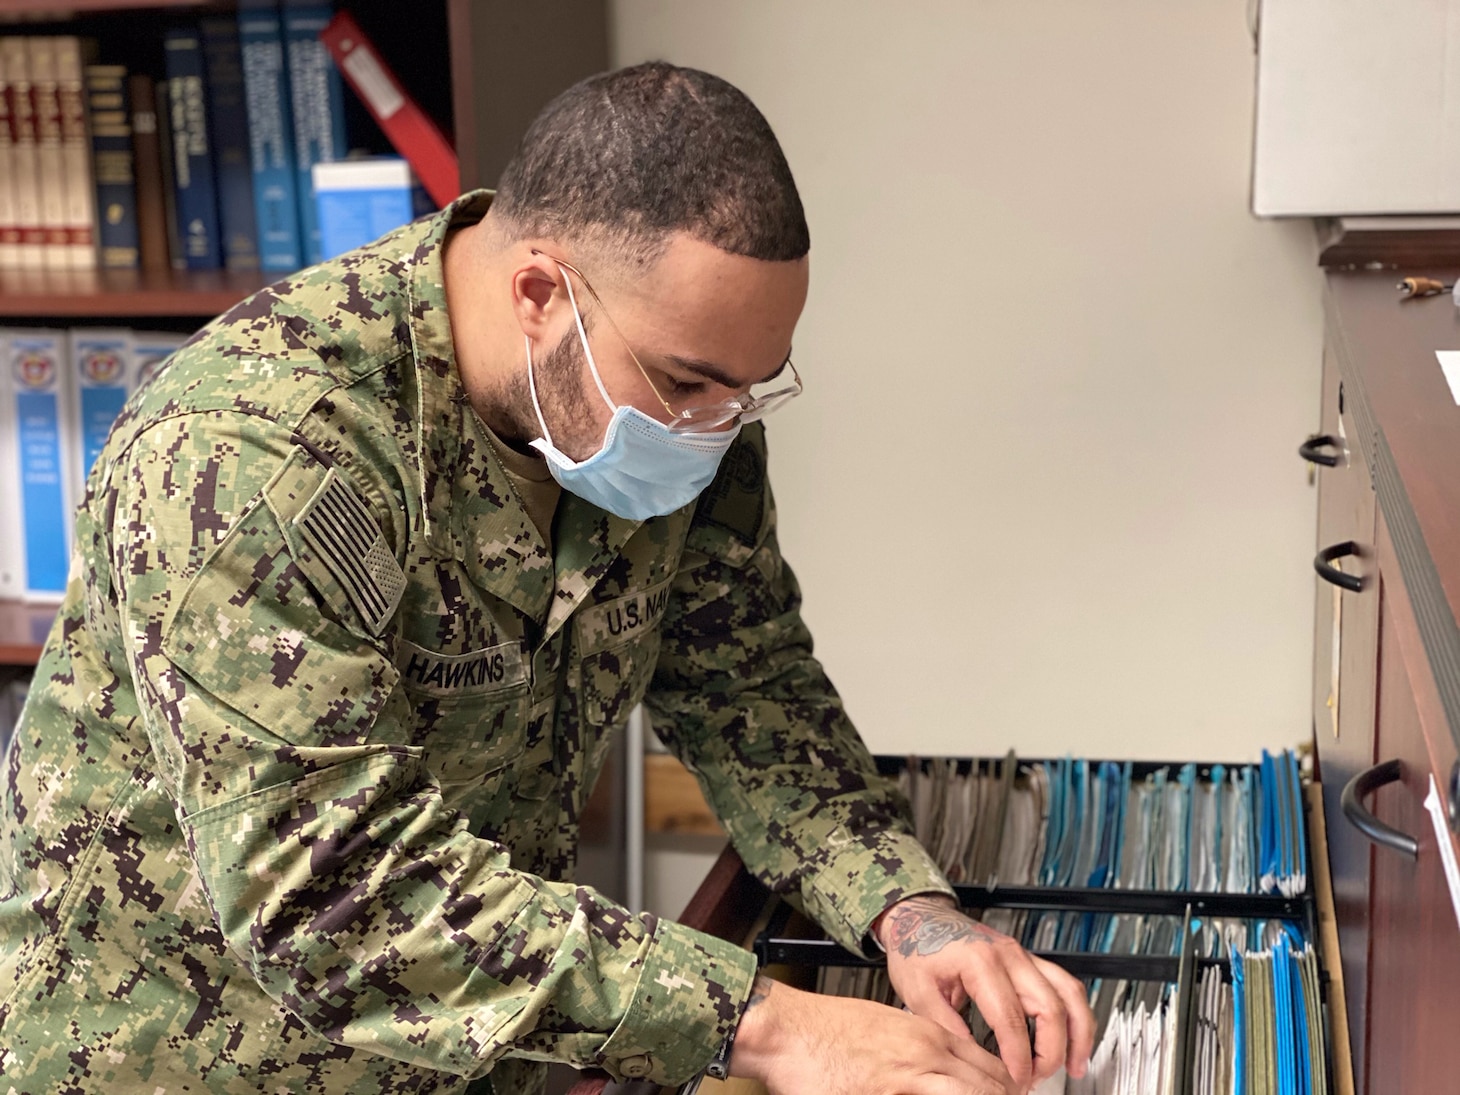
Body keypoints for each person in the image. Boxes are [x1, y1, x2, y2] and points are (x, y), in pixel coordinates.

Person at [0, 62, 1092, 1094]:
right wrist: (769, 1023)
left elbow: (750, 691)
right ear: (537, 292)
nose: (717, 426)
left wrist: (904, 909)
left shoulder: (673, 412)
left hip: (486, 1050)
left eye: (750, 390)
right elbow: (330, 899)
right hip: (187, 1054)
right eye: (688, 382)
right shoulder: (254, 454)